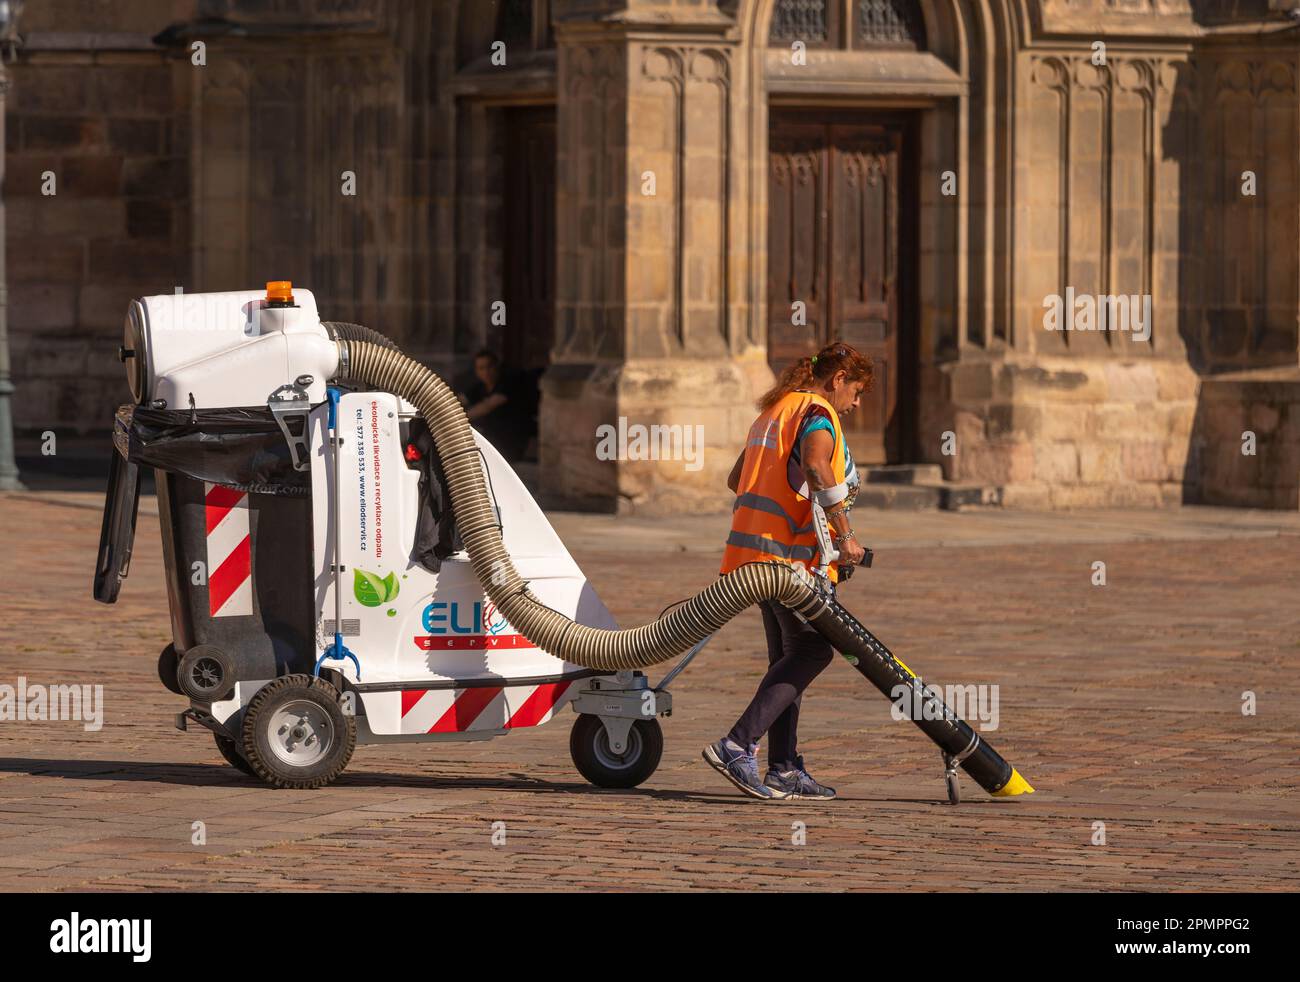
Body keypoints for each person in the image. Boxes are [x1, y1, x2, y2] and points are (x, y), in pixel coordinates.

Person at [703, 341, 873, 800]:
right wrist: (844, 537)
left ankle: (783, 767)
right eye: (856, 392)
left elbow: (737, 479)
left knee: (789, 658)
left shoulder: (774, 412)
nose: (856, 404)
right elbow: (817, 466)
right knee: (814, 653)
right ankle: (737, 745)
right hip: (792, 561)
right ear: (838, 379)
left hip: (756, 556)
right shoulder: (817, 412)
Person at [459, 349, 534, 462]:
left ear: (496, 367)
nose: (486, 372)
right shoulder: (479, 387)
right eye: (481, 368)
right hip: (491, 439)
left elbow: (488, 406)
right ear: (476, 371)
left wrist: (457, 418)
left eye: (489, 367)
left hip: (510, 442)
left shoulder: (508, 383)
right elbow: (460, 399)